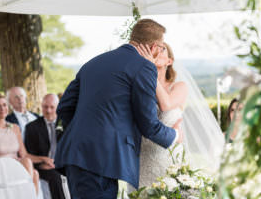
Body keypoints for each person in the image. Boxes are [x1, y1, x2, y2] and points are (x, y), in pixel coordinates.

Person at [55, 19, 183, 199]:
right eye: (162, 47)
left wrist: (84, 134)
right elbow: (148, 124)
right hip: (101, 160)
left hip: (76, 155)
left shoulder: (93, 62)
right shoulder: (144, 66)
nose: (161, 51)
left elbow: (65, 107)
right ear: (154, 47)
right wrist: (175, 134)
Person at [137, 42, 225, 185]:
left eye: (162, 49)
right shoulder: (141, 88)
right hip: (143, 158)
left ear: (169, 61)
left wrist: (150, 71)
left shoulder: (179, 86)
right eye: (153, 48)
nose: (157, 51)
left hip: (170, 156)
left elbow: (166, 105)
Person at [0, 94, 53, 195]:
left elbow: (24, 155)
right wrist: (5, 164)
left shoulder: (15, 128)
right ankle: (28, 195)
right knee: (30, 171)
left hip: (15, 168)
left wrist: (44, 159)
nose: (2, 108)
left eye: (4, 105)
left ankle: (27, 195)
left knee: (31, 167)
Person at [25, 94, 65, 199]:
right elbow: (29, 155)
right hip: (43, 166)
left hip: (63, 163)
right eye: (45, 107)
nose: (48, 110)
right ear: (41, 107)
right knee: (55, 177)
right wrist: (44, 161)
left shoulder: (67, 124)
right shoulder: (31, 127)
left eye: (52, 107)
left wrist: (59, 163)